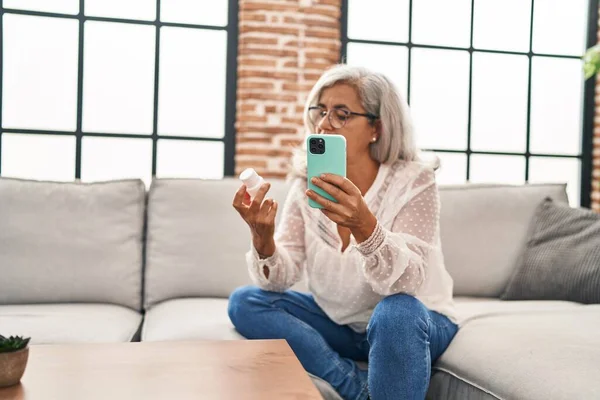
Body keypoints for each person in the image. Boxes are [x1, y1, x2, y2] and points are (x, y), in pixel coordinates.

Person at [229, 64, 459, 400]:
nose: (324, 124)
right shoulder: (305, 185)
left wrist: (366, 226)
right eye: (321, 111)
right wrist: (263, 240)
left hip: (415, 322)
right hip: (340, 323)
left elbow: (408, 283)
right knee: (246, 302)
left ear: (376, 128)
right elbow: (281, 278)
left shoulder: (414, 181)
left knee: (396, 312)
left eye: (342, 114)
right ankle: (353, 386)